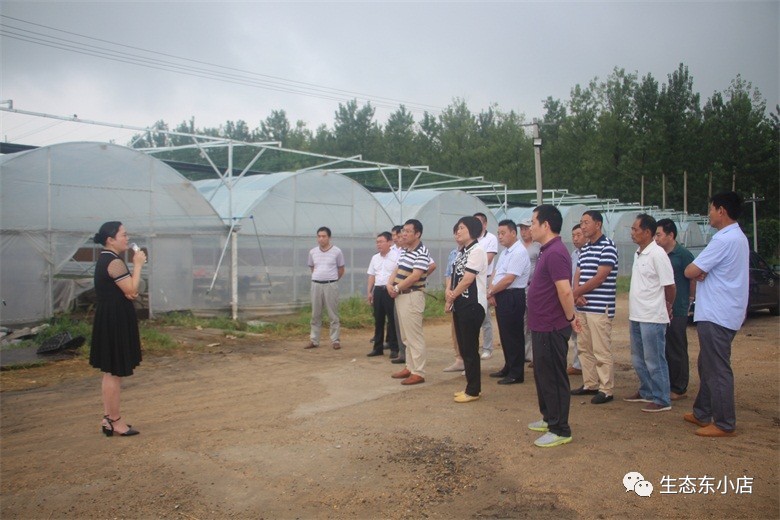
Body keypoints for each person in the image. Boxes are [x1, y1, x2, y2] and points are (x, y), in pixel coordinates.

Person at [684, 191, 749, 437]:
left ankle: (724, 423)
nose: (709, 214)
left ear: (721, 210)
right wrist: (702, 272)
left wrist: (698, 271)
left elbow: (691, 270)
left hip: (717, 313)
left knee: (717, 368)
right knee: (707, 364)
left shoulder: (723, 240)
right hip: (725, 311)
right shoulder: (738, 237)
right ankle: (702, 412)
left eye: (711, 209)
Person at [525, 205, 581, 448]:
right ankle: (549, 418)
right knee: (542, 374)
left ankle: (560, 429)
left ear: (546, 225)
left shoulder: (557, 252)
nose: (530, 227)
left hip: (551, 325)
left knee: (554, 377)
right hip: (540, 324)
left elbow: (565, 290)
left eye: (533, 222)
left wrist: (570, 318)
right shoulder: (546, 251)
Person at [89, 221, 145, 437]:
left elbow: (129, 292)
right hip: (115, 319)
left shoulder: (107, 259)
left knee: (109, 372)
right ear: (110, 240)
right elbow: (132, 288)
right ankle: (115, 421)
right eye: (123, 234)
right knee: (114, 373)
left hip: (109, 317)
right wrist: (138, 264)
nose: (127, 238)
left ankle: (108, 418)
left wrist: (131, 289)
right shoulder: (114, 262)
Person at [624, 214, 676, 413]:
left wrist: (667, 305)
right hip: (636, 315)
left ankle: (662, 398)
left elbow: (669, 286)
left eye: (635, 229)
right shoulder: (639, 253)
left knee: (654, 359)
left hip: (652, 316)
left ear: (647, 232)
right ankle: (646, 390)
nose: (632, 233)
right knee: (638, 358)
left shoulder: (657, 254)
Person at [572, 210, 619, 405]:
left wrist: (576, 293)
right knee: (584, 347)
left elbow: (601, 277)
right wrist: (577, 293)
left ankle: (606, 389)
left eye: (586, 223)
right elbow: (578, 272)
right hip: (583, 307)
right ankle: (590, 383)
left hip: (599, 307)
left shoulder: (607, 246)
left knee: (601, 349)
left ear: (598, 224)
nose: (582, 227)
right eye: (581, 223)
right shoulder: (586, 248)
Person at [388, 219, 436, 385]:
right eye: (404, 231)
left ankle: (418, 372)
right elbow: (397, 269)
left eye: (408, 231)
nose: (404, 234)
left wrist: (396, 288)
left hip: (412, 296)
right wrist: (390, 283)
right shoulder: (405, 250)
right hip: (401, 295)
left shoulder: (422, 252)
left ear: (418, 234)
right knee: (406, 336)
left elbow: (416, 275)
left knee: (414, 336)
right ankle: (409, 366)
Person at [446, 216, 488, 402]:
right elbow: (455, 276)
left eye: (461, 228)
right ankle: (472, 387)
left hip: (472, 305)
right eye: (457, 228)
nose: (458, 231)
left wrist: (453, 295)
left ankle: (473, 390)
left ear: (472, 229)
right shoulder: (462, 252)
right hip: (460, 304)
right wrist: (450, 295)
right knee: (464, 347)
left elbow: (468, 279)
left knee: (470, 349)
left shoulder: (477, 251)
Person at [654, 218, 696, 400]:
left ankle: (679, 387)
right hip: (660, 307)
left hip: (678, 308)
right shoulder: (658, 254)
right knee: (664, 347)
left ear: (671, 235)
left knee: (677, 346)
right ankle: (668, 382)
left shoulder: (683, 255)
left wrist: (691, 300)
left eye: (659, 234)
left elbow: (693, 278)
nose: (656, 238)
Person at [488, 219, 531, 385]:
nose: (500, 236)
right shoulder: (506, 252)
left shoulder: (519, 252)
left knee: (513, 335)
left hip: (512, 296)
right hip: (501, 295)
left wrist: (491, 291)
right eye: (498, 233)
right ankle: (509, 365)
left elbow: (509, 279)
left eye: (503, 233)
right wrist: (491, 290)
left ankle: (516, 373)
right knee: (505, 335)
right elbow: (497, 273)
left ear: (514, 233)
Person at [305, 227, 345, 350]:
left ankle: (335, 340)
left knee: (333, 313)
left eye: (324, 236)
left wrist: (332, 279)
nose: (321, 239)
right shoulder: (313, 252)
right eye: (319, 236)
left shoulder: (337, 251)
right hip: (316, 284)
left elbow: (341, 269)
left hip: (330, 284)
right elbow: (312, 267)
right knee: (315, 313)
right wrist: (319, 277)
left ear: (329, 237)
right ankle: (314, 340)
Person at [366, 232, 399, 357]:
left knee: (392, 320)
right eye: (377, 242)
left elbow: (398, 274)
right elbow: (372, 275)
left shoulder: (396, 256)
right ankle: (377, 348)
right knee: (378, 319)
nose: (378, 244)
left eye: (381, 241)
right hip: (378, 290)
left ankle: (394, 348)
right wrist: (369, 292)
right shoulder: (375, 258)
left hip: (390, 290)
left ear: (389, 242)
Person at [474, 212, 498, 360]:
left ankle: (488, 347)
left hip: (485, 279)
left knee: (485, 316)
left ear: (485, 224)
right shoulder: (471, 239)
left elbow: (487, 261)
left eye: (478, 222)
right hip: (472, 279)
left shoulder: (491, 239)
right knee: (474, 314)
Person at [518, 217, 541, 364]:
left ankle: (534, 354)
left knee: (534, 321)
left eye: (526, 228)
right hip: (520, 287)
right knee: (523, 321)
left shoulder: (538, 246)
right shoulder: (517, 246)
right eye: (522, 229)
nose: (524, 232)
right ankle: (524, 353)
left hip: (533, 287)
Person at [443, 224, 465, 373]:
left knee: (467, 330)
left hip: (465, 296)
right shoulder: (453, 253)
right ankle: (459, 359)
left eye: (461, 231)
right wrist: (448, 291)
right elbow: (449, 274)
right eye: (455, 232)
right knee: (455, 329)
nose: (457, 235)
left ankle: (469, 361)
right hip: (454, 295)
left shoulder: (474, 252)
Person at [567, 224, 586, 376]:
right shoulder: (574, 254)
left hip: (584, 299)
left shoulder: (589, 253)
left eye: (579, 235)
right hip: (573, 298)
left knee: (584, 333)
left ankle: (584, 365)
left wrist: (579, 294)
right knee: (575, 333)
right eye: (573, 235)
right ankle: (578, 364)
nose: (575, 238)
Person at [389, 225, 407, 364]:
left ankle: (410, 358)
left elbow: (430, 266)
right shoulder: (400, 252)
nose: (398, 238)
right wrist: (390, 285)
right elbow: (396, 270)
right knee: (397, 324)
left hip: (407, 292)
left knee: (408, 327)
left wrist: (404, 284)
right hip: (397, 292)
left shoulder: (417, 251)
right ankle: (402, 353)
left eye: (400, 236)